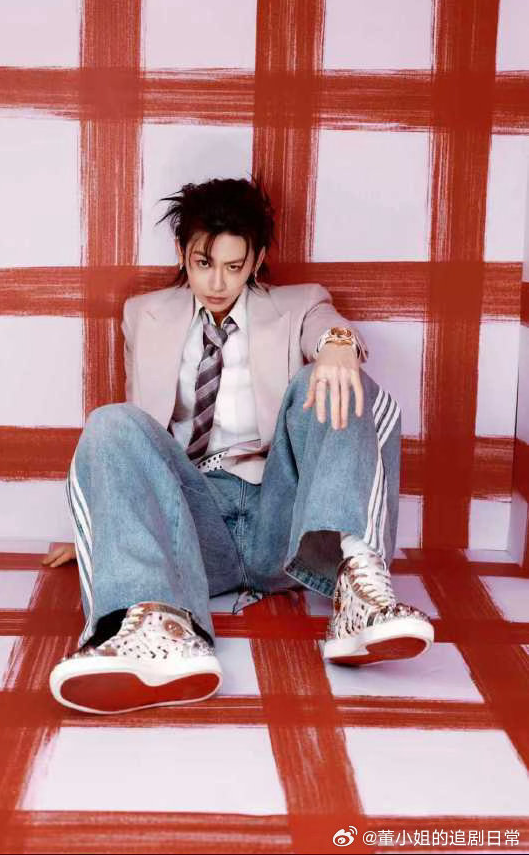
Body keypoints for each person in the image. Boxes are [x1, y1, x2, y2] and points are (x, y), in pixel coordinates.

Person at [43, 175, 434, 716]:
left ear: (258, 260)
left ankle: (359, 595)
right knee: (112, 421)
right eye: (204, 263)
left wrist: (337, 345)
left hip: (282, 520)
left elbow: (327, 325)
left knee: (330, 380)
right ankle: (158, 631)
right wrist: (113, 530)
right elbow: (141, 442)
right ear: (182, 252)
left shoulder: (299, 304)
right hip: (197, 524)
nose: (217, 282)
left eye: (234, 266)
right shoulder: (143, 314)